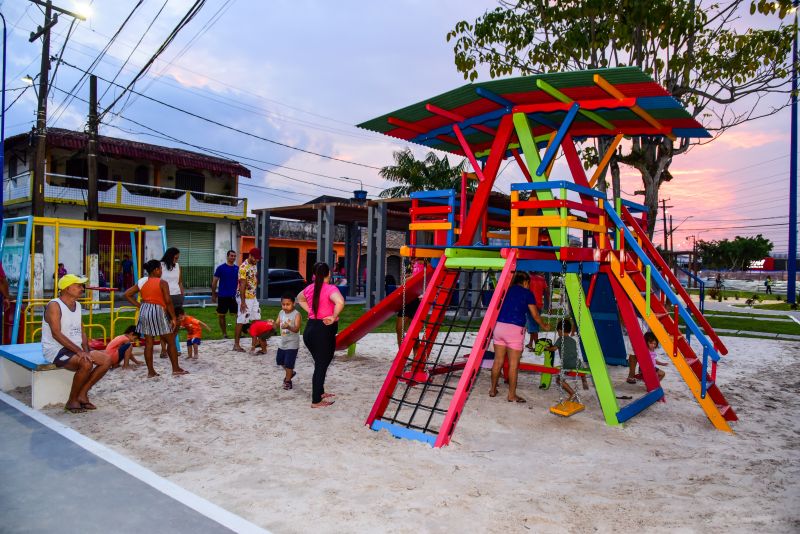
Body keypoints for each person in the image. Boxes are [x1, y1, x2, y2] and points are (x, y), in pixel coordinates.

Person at [41, 274, 112, 413]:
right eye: (78, 285)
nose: (82, 288)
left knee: (107, 360)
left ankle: (82, 393)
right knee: (86, 363)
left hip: (74, 348)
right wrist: (80, 352)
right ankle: (72, 400)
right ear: (67, 288)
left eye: (82, 285)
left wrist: (86, 350)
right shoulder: (54, 305)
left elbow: (81, 330)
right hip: (56, 349)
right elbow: (56, 334)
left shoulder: (77, 305)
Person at [489, 271, 549, 403]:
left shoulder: (505, 290)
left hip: (499, 327)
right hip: (514, 330)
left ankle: (493, 390)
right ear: (526, 282)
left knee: (498, 361)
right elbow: (535, 315)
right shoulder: (527, 294)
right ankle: (511, 395)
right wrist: (544, 326)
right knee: (513, 365)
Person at [123, 259, 187, 378]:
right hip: (158, 310)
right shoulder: (162, 282)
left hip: (144, 310)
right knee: (171, 341)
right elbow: (168, 301)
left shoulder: (142, 281)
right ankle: (176, 368)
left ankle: (151, 372)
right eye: (161, 269)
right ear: (156, 270)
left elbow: (127, 294)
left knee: (149, 343)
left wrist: (140, 305)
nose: (162, 271)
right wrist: (173, 317)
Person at [297, 262, 345, 408]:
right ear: (328, 274)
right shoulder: (330, 288)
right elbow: (340, 302)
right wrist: (333, 315)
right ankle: (316, 400)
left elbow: (299, 298)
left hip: (310, 330)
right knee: (321, 365)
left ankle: (320, 391)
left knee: (322, 362)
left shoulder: (310, 288)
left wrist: (311, 311)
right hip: (322, 331)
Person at [543, 319, 581, 402]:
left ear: (560, 330)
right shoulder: (573, 340)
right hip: (577, 362)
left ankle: (572, 393)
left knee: (559, 380)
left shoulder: (561, 339)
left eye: (558, 332)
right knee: (566, 369)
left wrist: (547, 348)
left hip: (567, 363)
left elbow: (554, 349)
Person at [233, 248, 262, 352]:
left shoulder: (254, 265)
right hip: (244, 297)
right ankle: (236, 345)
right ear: (250, 255)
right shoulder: (243, 267)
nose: (257, 260)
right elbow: (242, 285)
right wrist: (243, 302)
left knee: (256, 318)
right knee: (241, 319)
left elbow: (254, 277)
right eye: (256, 258)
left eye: (258, 259)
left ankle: (255, 342)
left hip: (253, 296)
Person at [159, 248, 184, 358]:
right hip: (164, 298)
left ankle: (171, 346)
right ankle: (164, 350)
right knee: (164, 324)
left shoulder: (178, 266)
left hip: (177, 296)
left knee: (177, 323)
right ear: (169, 256)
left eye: (177, 258)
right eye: (175, 258)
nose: (176, 260)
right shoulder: (160, 266)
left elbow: (180, 282)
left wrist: (182, 295)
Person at [275, 292, 302, 390]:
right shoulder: (281, 313)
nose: (285, 307)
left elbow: (296, 329)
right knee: (280, 361)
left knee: (289, 363)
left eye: (288, 304)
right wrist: (271, 324)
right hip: (283, 341)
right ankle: (291, 373)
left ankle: (288, 381)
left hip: (292, 342)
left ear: (294, 304)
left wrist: (289, 326)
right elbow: (277, 324)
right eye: (283, 304)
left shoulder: (297, 314)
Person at [212, 250, 239, 338]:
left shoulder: (238, 269)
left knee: (238, 316)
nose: (233, 257)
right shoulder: (221, 268)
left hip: (234, 296)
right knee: (222, 316)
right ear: (227, 257)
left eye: (234, 256)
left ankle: (239, 333)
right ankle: (224, 334)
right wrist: (213, 294)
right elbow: (214, 281)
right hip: (223, 296)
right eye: (231, 256)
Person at [525, 271, 548, 350]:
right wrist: (548, 303)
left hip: (530, 305)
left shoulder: (528, 279)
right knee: (533, 324)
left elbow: (525, 291)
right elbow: (547, 291)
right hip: (539, 304)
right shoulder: (542, 279)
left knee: (533, 326)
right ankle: (530, 343)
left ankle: (537, 346)